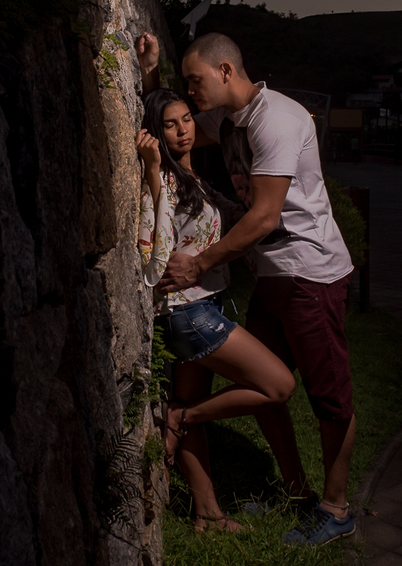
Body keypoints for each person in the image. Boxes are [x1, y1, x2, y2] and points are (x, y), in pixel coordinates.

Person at [138, 31, 358, 546]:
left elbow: (262, 216)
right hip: (273, 277)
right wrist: (151, 76)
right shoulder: (227, 119)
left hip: (311, 273)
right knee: (266, 391)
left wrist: (199, 265)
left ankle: (336, 507)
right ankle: (295, 491)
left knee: (328, 398)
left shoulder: (277, 119)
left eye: (196, 81)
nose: (191, 94)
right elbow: (171, 125)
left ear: (226, 72)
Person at [136, 87, 296, 534]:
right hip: (188, 313)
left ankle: (207, 514)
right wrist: (152, 170)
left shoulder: (194, 176)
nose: (184, 129)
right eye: (170, 123)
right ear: (156, 131)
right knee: (279, 384)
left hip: (206, 304)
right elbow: (159, 244)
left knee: (190, 399)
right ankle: (178, 418)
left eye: (187, 119)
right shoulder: (163, 179)